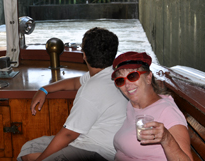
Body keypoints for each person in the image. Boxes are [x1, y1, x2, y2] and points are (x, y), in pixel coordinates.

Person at [17, 27, 128, 161]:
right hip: (89, 140)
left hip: (98, 151)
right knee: (29, 150)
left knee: (36, 157)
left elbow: (68, 135)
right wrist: (45, 89)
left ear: (84, 55)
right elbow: (76, 82)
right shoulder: (108, 74)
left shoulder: (92, 90)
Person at [111, 51, 193, 161]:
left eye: (133, 76)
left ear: (149, 77)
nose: (127, 85)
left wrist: (166, 138)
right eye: (120, 80)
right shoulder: (132, 105)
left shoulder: (167, 111)